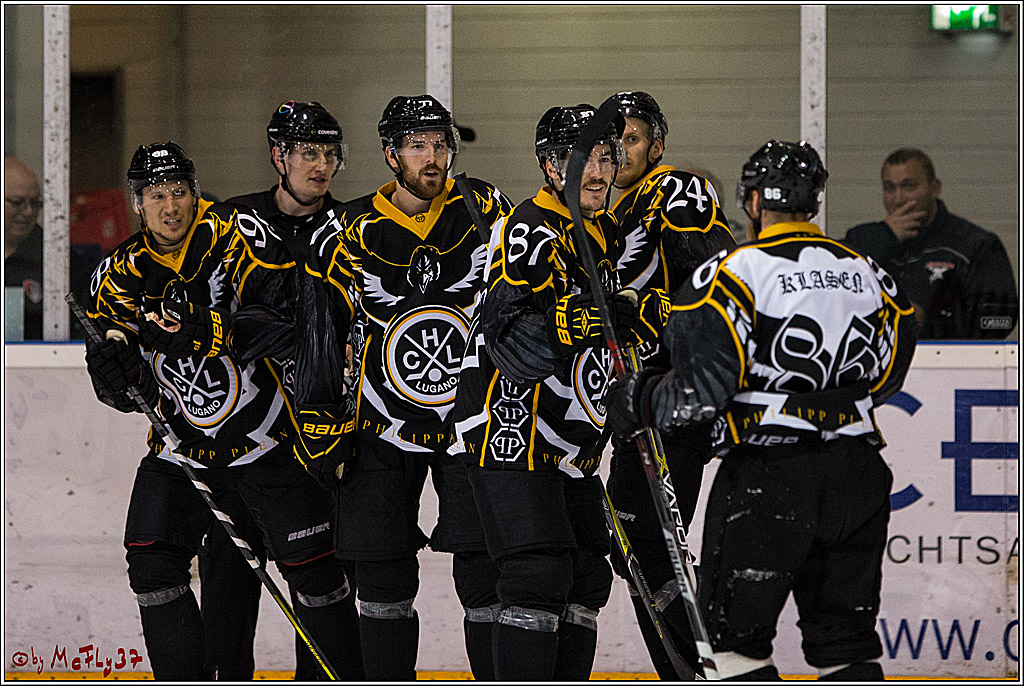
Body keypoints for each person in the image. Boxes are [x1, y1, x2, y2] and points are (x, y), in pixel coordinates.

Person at [606, 140, 918, 680]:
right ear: (813, 201)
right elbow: (891, 369)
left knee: (733, 647)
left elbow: (700, 393)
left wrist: (637, 398)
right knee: (845, 642)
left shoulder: (731, 272)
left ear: (751, 201)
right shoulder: (870, 270)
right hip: (856, 472)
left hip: (769, 477)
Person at [84, 141, 356, 680]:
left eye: (179, 192)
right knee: (151, 559)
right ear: (136, 203)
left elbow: (291, 325)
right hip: (182, 452)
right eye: (156, 195)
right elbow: (123, 382)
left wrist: (211, 331)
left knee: (317, 576)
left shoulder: (241, 239)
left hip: (270, 443)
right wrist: (113, 377)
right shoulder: (117, 273)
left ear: (193, 191)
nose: (170, 206)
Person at [294, 94, 513, 680]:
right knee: (381, 571)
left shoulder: (486, 207)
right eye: (418, 145)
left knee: (483, 564)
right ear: (391, 153)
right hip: (379, 426)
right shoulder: (345, 229)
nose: (433, 156)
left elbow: (515, 303)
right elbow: (320, 335)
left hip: (473, 424)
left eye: (441, 144)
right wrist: (320, 422)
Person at [448, 104, 641, 680]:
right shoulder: (532, 227)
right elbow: (511, 337)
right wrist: (586, 317)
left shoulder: (601, 231)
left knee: (585, 578)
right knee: (536, 576)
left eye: (608, 157)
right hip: (510, 430)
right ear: (553, 168)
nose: (601, 171)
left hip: (568, 440)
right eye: (585, 159)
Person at [213, 100, 363, 681]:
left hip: (320, 436)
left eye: (328, 153)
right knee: (229, 569)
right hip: (243, 433)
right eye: (307, 152)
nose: (320, 164)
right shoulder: (230, 221)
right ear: (279, 156)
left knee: (322, 578)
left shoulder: (353, 226)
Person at [606, 91, 736, 679]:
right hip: (637, 404)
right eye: (612, 139)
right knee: (636, 541)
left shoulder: (675, 189)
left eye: (632, 138)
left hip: (673, 403)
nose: (620, 149)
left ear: (657, 145)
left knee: (655, 543)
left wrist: (656, 313)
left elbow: (719, 283)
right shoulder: (612, 212)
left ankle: (705, 671)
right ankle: (689, 669)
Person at [844, 148, 1017, 339]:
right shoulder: (861, 241)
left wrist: (927, 322)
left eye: (909, 186)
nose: (899, 199)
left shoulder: (976, 245)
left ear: (935, 188)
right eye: (890, 188)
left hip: (954, 364)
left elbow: (999, 320)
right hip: (879, 365)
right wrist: (885, 236)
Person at [4, 156, 91, 340]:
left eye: (35, 202)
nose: (28, 211)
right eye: (17, 202)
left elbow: (83, 332)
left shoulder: (59, 258)